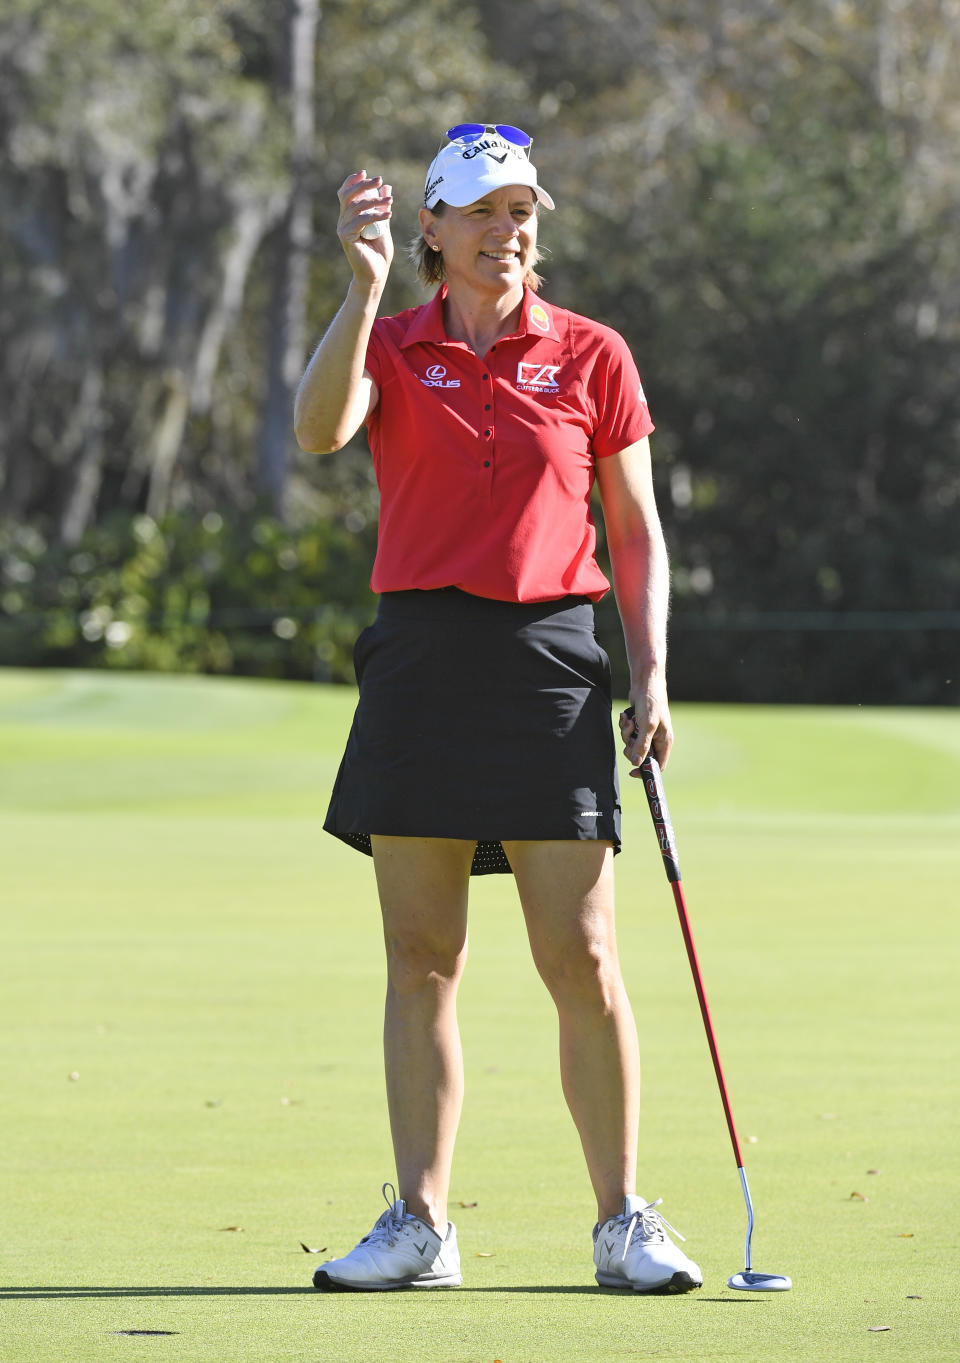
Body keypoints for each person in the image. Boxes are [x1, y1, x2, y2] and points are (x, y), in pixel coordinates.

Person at [293, 122, 702, 1295]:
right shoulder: (397, 342)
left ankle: (622, 1219)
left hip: (548, 657)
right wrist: (362, 289)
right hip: (420, 653)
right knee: (422, 955)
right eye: (482, 211)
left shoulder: (590, 353)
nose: (509, 229)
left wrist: (652, 672)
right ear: (432, 229)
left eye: (523, 210)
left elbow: (634, 532)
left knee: (580, 955)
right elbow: (322, 430)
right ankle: (421, 1223)